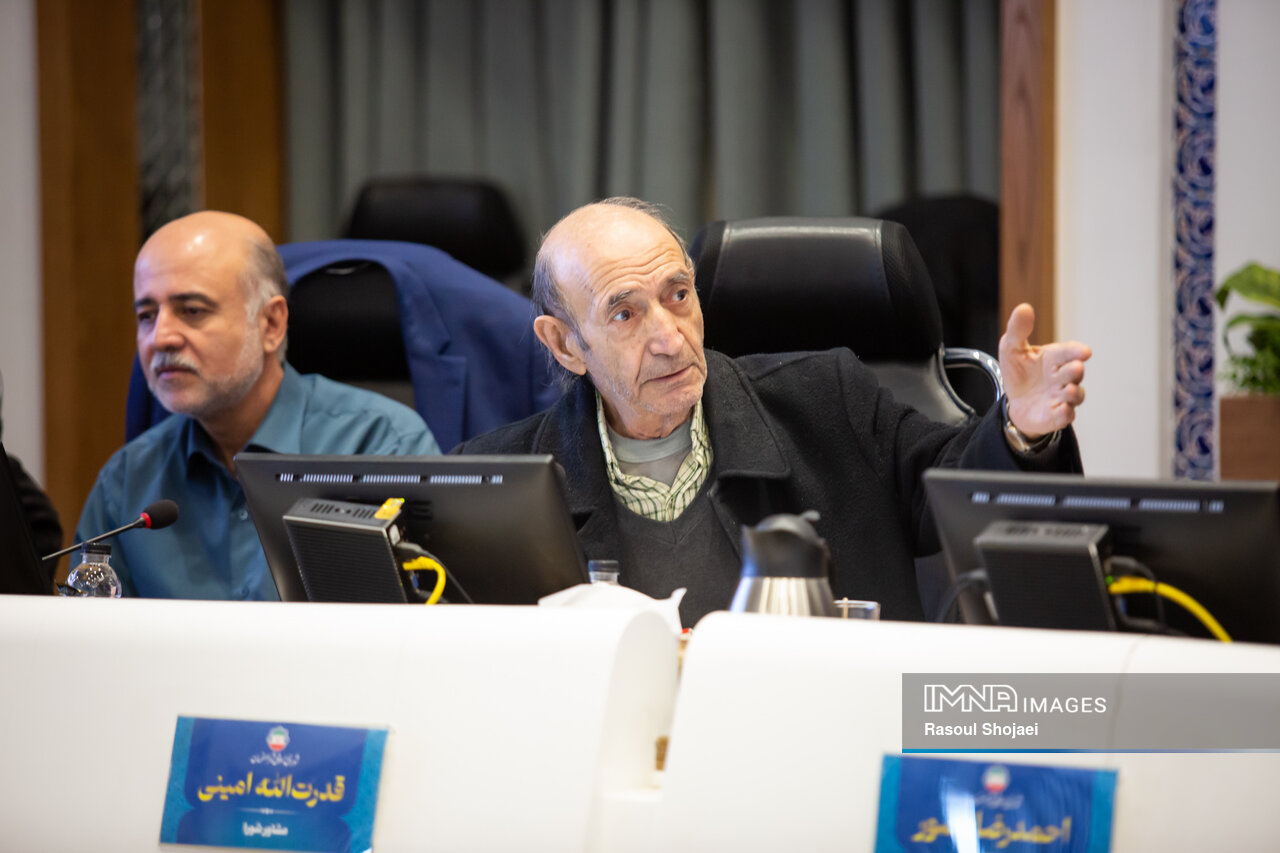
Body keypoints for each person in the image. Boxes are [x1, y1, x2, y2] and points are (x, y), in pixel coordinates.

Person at [457, 198, 1090, 624]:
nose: (670, 338)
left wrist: (1021, 428)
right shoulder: (496, 482)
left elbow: (958, 493)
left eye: (678, 295)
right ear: (565, 344)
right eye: (625, 313)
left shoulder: (828, 402)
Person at [73, 211, 440, 599]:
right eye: (147, 316)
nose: (160, 337)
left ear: (271, 324)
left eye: (192, 311)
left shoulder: (383, 446)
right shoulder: (126, 482)